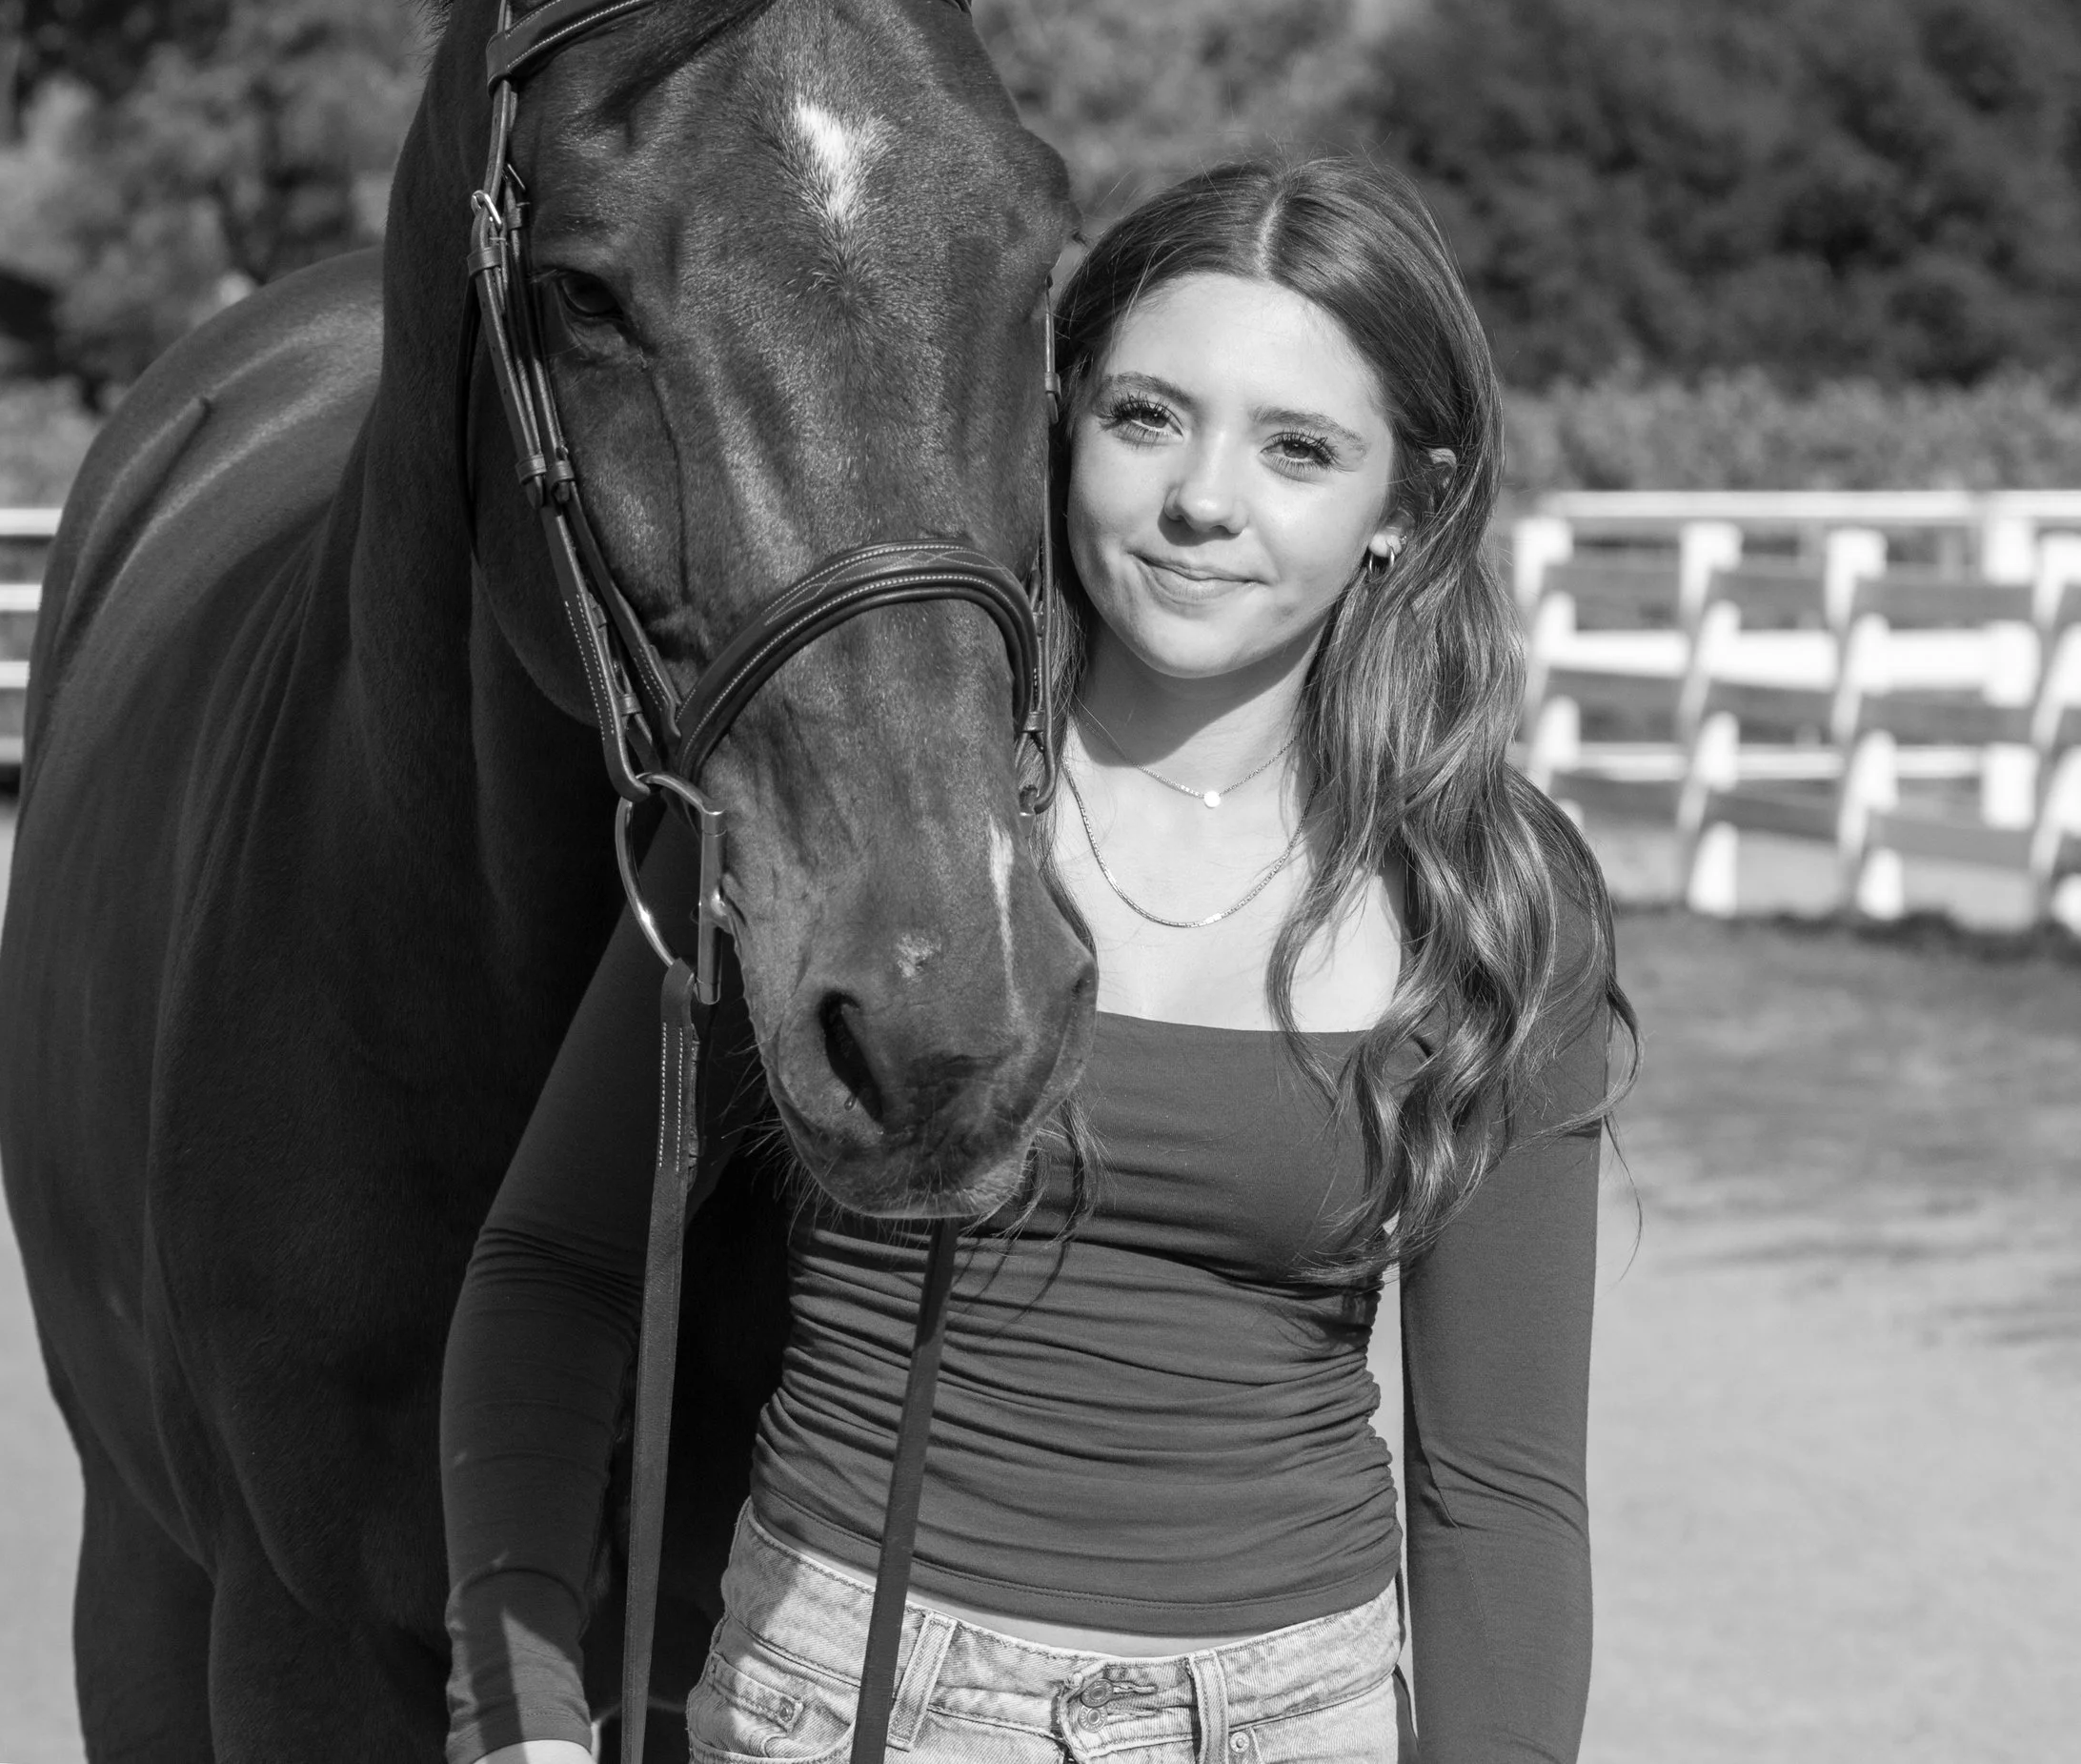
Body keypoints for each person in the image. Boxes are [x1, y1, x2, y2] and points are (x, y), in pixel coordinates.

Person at [441, 157, 1634, 1764]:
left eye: (1297, 448)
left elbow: (1498, 1488)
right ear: (1060, 428)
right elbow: (560, 1267)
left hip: (1296, 1717)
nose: (1203, 499)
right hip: (847, 1699)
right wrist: (516, 1715)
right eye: (1148, 418)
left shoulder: (1490, 890)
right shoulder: (839, 794)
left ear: (1404, 509)